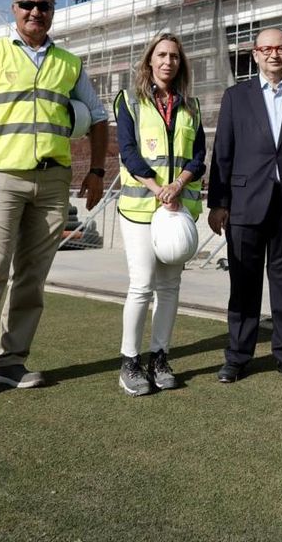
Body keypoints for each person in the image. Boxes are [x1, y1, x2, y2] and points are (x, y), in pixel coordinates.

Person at [0, 0, 109, 405]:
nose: (36, 12)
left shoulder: (69, 63)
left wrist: (94, 171)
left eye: (45, 6)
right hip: (1, 178)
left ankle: (11, 364)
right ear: (13, 9)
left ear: (54, 11)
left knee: (33, 278)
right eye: (27, 5)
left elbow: (98, 117)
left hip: (53, 182)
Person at [207, 28, 282, 383]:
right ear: (255, 54)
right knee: (243, 283)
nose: (274, 54)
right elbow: (222, 153)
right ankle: (238, 355)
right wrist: (219, 202)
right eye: (266, 49)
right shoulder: (235, 97)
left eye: (280, 48)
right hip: (244, 204)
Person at [113, 33, 205, 396]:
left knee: (169, 288)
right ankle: (129, 362)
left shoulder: (191, 106)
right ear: (149, 61)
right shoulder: (129, 102)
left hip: (177, 209)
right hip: (140, 209)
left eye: (174, 57)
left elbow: (198, 158)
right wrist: (158, 189)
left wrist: (177, 187)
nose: (168, 62)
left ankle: (160, 357)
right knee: (141, 286)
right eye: (162, 55)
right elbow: (128, 152)